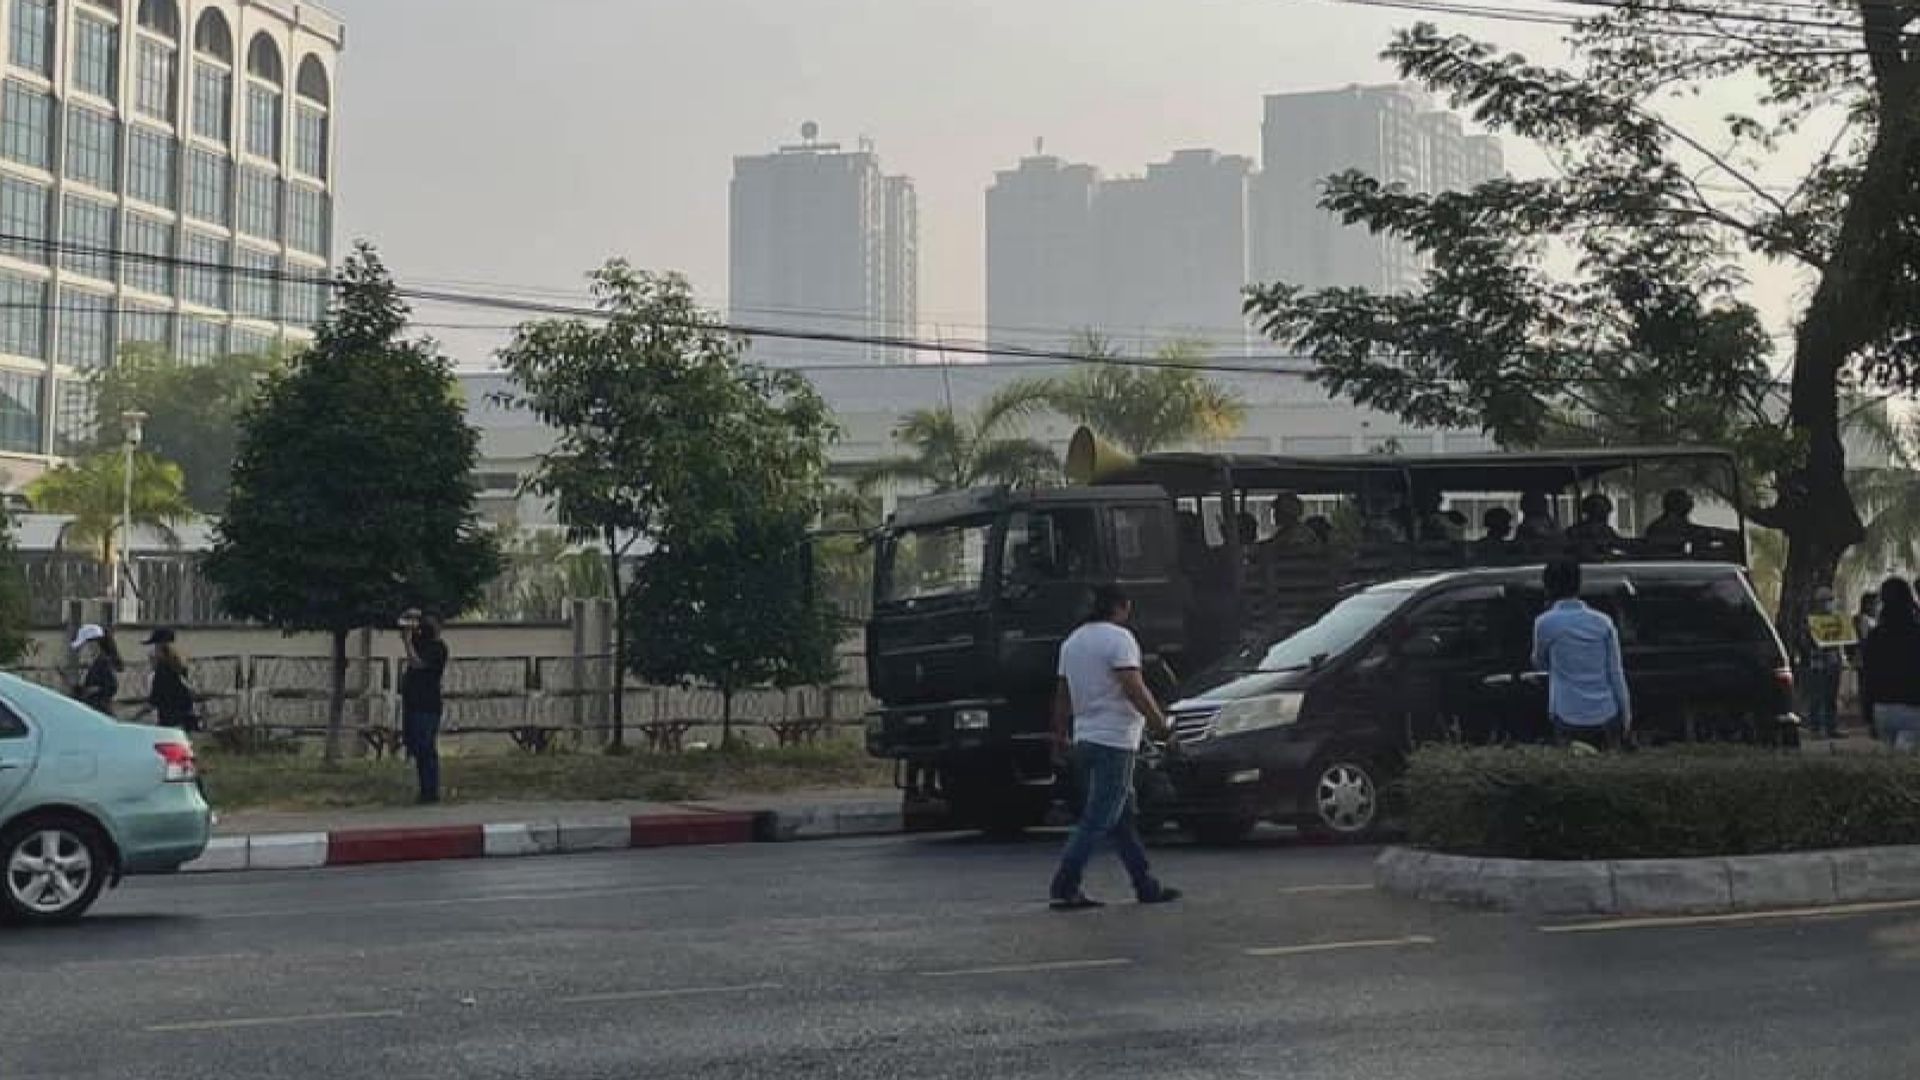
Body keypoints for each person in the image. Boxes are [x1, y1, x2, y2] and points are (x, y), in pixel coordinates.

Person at [1048, 585, 1181, 911]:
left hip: (1085, 738)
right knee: (1098, 818)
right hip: (1115, 739)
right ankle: (1065, 883)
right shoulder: (1119, 639)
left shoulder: (1073, 642)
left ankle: (1145, 884)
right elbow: (1134, 687)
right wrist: (1161, 726)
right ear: (1121, 607)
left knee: (1121, 818)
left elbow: (1063, 695)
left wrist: (1059, 736)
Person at [1532, 561, 1632, 749]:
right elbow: (1616, 672)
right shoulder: (1603, 622)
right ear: (1579, 585)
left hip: (1567, 713)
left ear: (1547, 587)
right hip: (1606, 712)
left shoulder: (1544, 623)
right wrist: (1626, 713)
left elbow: (1539, 663)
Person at [1860, 577, 1920, 751]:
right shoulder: (1916, 634)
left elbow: (1868, 676)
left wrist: (1868, 713)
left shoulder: (1875, 636)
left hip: (1882, 709)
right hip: (1913, 707)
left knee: (1891, 757)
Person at [398, 610, 449, 804]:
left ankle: (431, 791)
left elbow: (417, 663)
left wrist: (407, 642)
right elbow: (403, 627)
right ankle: (424, 791)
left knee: (426, 747)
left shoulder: (438, 648)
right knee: (418, 748)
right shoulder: (422, 642)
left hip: (427, 706)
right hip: (413, 704)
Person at [1800, 587, 1846, 740]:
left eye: (1830, 600)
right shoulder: (1811, 621)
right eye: (1826, 600)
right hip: (1817, 663)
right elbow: (1805, 643)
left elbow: (1841, 640)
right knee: (1817, 697)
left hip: (1834, 662)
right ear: (1818, 603)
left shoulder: (1836, 620)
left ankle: (1831, 727)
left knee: (1831, 697)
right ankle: (1815, 729)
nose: (1829, 603)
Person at [138, 628, 198, 732]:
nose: (150, 653)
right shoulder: (178, 666)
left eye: (154, 647)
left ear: (160, 647)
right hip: (184, 721)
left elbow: (154, 700)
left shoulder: (163, 671)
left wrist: (133, 718)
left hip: (170, 724)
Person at [70, 624, 123, 716]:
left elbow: (112, 686)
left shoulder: (103, 662)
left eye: (82, 646)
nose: (80, 651)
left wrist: (93, 690)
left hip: (101, 713)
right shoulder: (96, 663)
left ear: (93, 644)